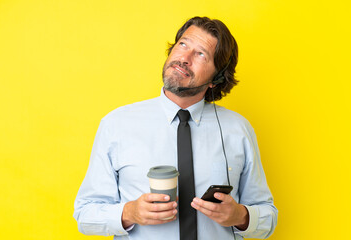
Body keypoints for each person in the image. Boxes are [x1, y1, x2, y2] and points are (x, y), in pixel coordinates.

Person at [73, 16, 278, 240]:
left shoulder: (238, 129)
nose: (184, 58)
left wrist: (241, 215)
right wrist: (129, 213)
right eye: (183, 44)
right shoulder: (116, 124)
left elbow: (268, 217)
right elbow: (85, 214)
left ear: (216, 79)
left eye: (201, 54)